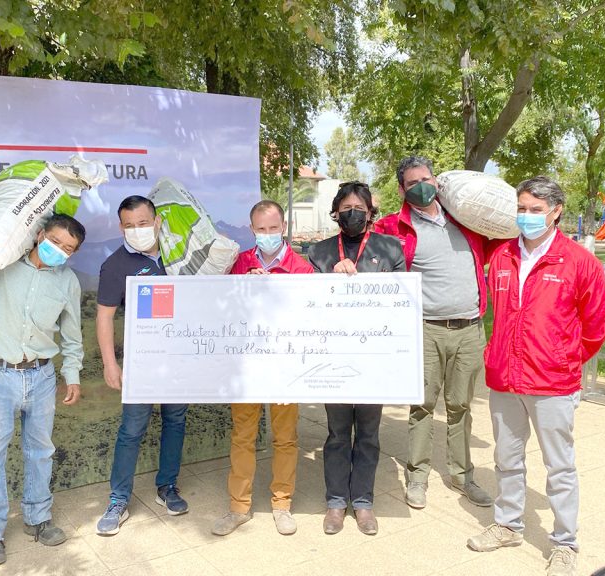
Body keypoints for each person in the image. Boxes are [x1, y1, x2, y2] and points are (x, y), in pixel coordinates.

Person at [467, 176, 605, 576]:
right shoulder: (501, 257)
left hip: (552, 383)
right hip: (505, 379)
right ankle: (508, 524)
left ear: (556, 211)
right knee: (506, 459)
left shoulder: (579, 262)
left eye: (535, 210)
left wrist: (564, 358)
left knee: (559, 466)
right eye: (522, 209)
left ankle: (565, 543)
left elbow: (598, 325)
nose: (527, 217)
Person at [0, 214, 86, 567]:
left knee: (40, 450)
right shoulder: (3, 268)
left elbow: (71, 335)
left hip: (40, 377)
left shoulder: (67, 282)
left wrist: (72, 375)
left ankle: (38, 518)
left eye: (68, 248)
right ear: (40, 234)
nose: (60, 250)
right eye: (55, 241)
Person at [374, 156, 495, 510]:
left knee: (461, 406)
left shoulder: (466, 221)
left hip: (470, 329)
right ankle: (417, 478)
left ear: (437, 181)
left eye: (426, 179)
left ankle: (462, 476)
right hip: (425, 331)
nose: (421, 186)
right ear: (402, 189)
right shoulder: (394, 228)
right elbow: (367, 255)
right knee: (423, 406)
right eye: (413, 183)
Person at [307, 181, 406, 536]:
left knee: (367, 432)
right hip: (332, 355)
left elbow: (400, 301)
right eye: (346, 208)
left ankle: (363, 502)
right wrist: (328, 282)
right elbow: (305, 306)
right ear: (335, 212)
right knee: (336, 433)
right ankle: (335, 501)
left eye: (359, 209)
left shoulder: (390, 248)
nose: (352, 214)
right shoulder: (318, 253)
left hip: (374, 356)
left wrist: (362, 281)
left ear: (370, 213)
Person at [212, 200, 314, 537]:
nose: (267, 235)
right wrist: (244, 288)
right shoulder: (239, 263)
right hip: (246, 365)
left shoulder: (301, 268)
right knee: (243, 436)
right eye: (261, 229)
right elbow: (221, 311)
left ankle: (281, 503)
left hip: (286, 366)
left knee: (285, 438)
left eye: (273, 229)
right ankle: (238, 507)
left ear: (283, 227)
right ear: (251, 229)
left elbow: (310, 319)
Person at [95, 195, 189, 536]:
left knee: (175, 421)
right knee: (132, 430)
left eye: (144, 223)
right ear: (121, 227)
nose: (137, 230)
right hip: (142, 364)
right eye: (130, 225)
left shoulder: (181, 257)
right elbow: (104, 317)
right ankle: (118, 499)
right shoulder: (115, 265)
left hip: (179, 360)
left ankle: (167, 487)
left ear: (158, 221)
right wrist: (110, 363)